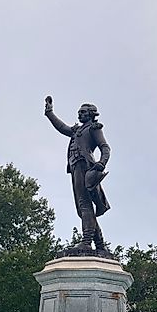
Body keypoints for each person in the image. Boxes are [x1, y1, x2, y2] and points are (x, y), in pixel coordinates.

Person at [44, 96, 111, 252]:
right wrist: (50, 113)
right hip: (75, 168)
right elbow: (62, 128)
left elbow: (105, 147)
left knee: (85, 204)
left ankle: (87, 242)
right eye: (79, 112)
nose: (79, 115)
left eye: (82, 112)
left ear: (90, 114)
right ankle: (100, 245)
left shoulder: (94, 128)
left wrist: (101, 163)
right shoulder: (77, 130)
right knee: (82, 207)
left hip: (85, 167)